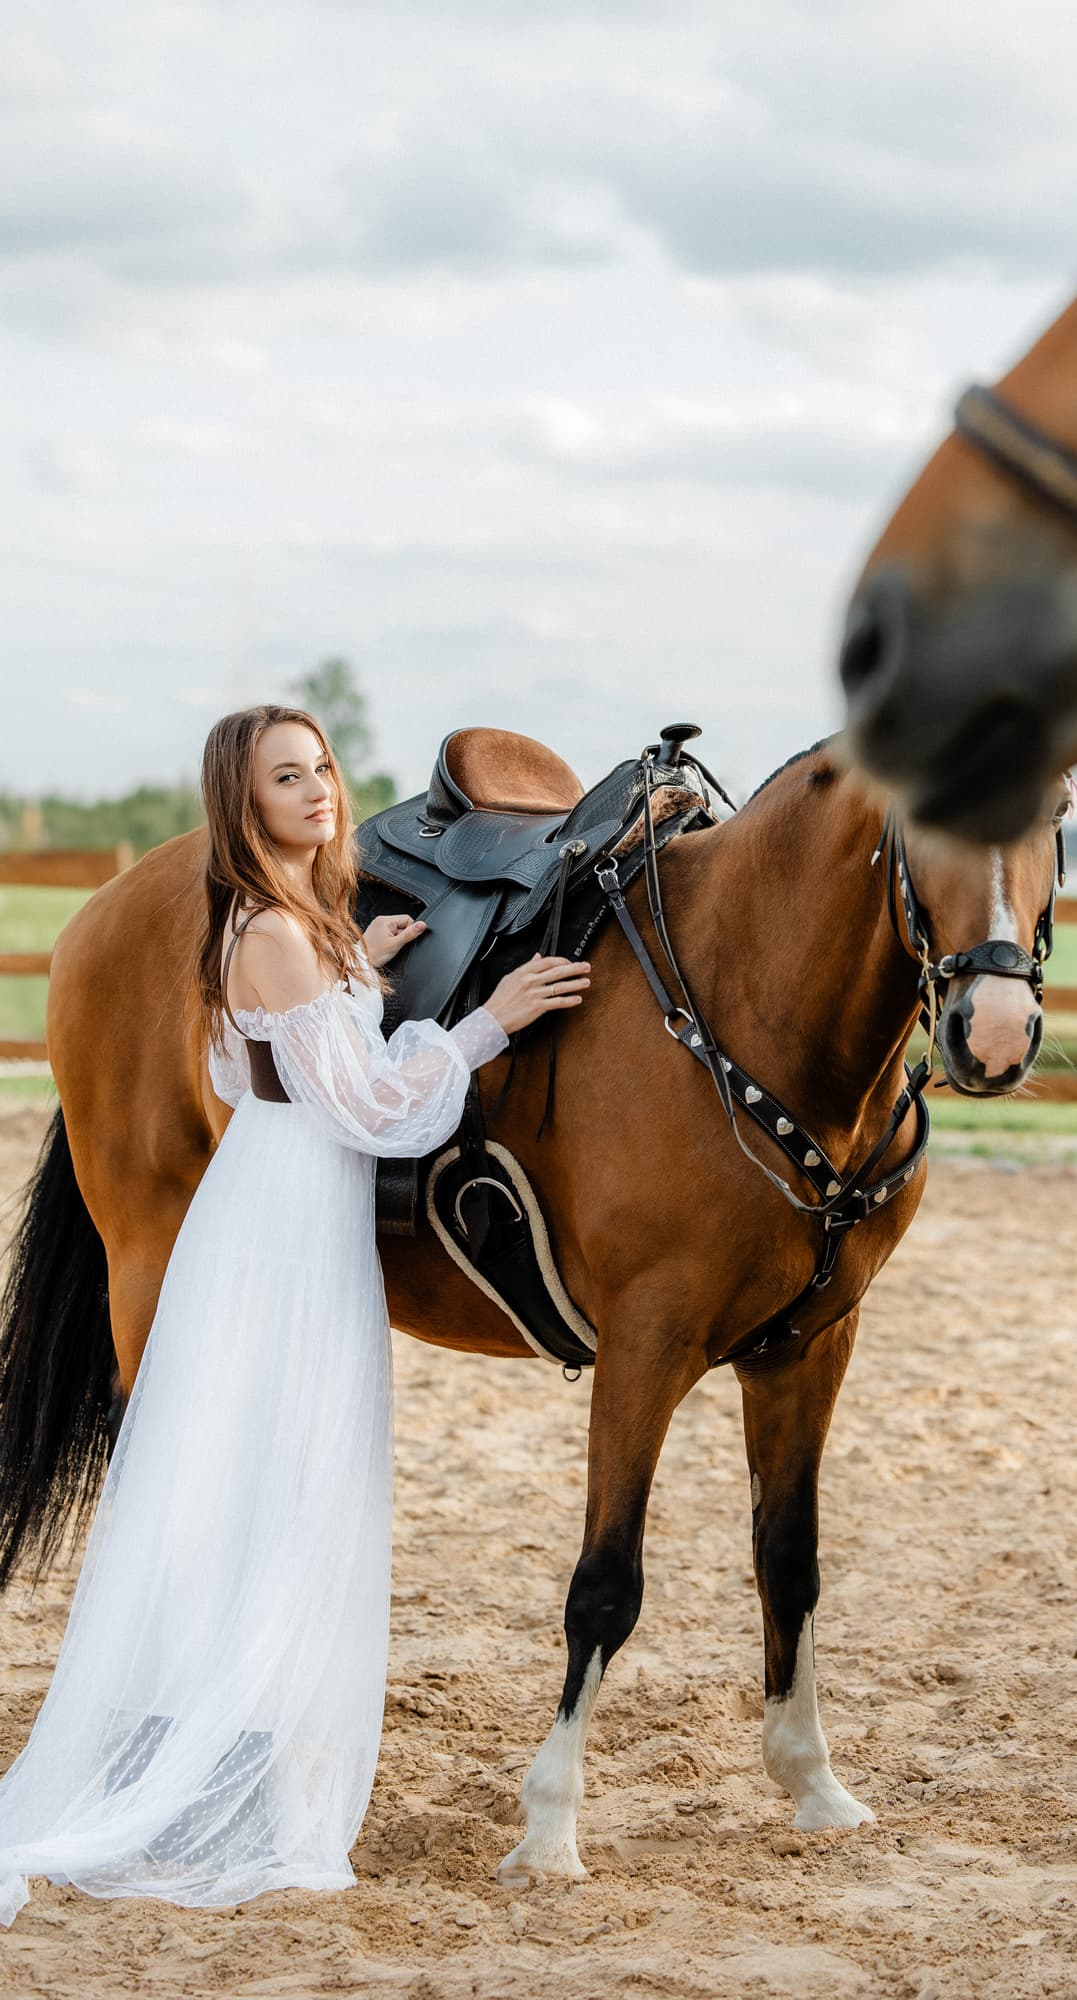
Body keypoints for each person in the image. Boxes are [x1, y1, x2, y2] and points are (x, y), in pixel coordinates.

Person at [0, 704, 590, 1926]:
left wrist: (356, 966)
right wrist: (495, 1019)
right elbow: (371, 1112)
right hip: (286, 1228)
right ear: (244, 799)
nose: (320, 791)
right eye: (288, 777)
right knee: (281, 1477)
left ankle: (232, 1744)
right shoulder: (268, 930)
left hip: (279, 1210)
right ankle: (222, 1770)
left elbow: (273, 1056)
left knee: (273, 1475)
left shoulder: (291, 928)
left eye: (322, 767)